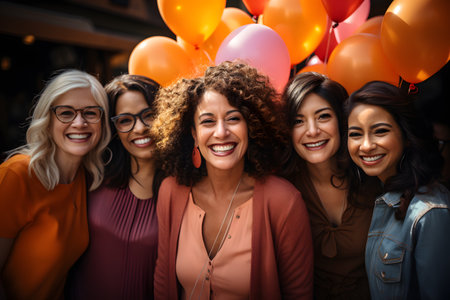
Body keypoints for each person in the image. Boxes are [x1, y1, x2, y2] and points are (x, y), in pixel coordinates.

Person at [152, 61, 314, 300]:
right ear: (193, 134)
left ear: (252, 127)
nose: (221, 132)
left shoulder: (284, 202)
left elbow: (299, 295)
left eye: (233, 119)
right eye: (208, 121)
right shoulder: (171, 192)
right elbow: (163, 283)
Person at [0, 69, 110, 300]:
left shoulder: (85, 178)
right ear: (48, 120)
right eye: (66, 113)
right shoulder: (17, 175)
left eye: (91, 113)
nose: (79, 123)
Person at [280, 72, 381, 300]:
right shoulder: (281, 188)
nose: (312, 130)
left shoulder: (373, 178)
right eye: (298, 121)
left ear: (342, 121)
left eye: (323, 116)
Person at [346, 81, 450, 299]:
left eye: (380, 131)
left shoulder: (430, 213)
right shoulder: (381, 195)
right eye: (355, 134)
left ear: (407, 136)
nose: (365, 145)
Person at [66, 74, 165, 299]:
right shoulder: (92, 176)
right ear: (114, 128)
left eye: (149, 115)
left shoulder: (181, 189)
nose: (139, 128)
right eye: (125, 120)